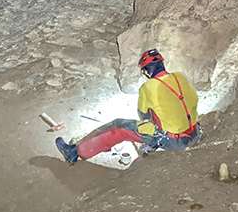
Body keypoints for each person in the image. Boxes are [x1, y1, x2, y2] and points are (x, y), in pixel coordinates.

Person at [55, 49, 201, 164]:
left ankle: (75, 152)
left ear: (148, 70)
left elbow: (144, 116)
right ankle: (102, 143)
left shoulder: (148, 87)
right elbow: (193, 100)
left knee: (119, 125)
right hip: (195, 134)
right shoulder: (180, 77)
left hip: (174, 142)